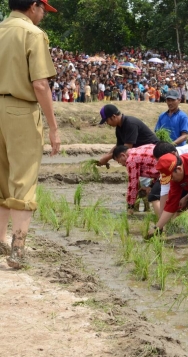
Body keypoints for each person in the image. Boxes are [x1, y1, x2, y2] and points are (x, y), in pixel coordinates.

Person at [0, 0, 60, 269]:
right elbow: (40, 84)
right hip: (20, 109)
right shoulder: (33, 34)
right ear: (33, 6)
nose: (44, 14)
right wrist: (53, 127)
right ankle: (18, 248)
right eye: (44, 9)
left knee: (1, 178)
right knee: (23, 179)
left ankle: (0, 240)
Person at [112, 144, 161, 215]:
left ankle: (162, 221)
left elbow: (133, 184)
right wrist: (151, 186)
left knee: (154, 196)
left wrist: (130, 206)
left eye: (119, 161)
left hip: (169, 171)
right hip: (171, 163)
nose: (122, 164)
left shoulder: (131, 159)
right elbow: (156, 167)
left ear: (123, 155)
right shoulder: (139, 149)